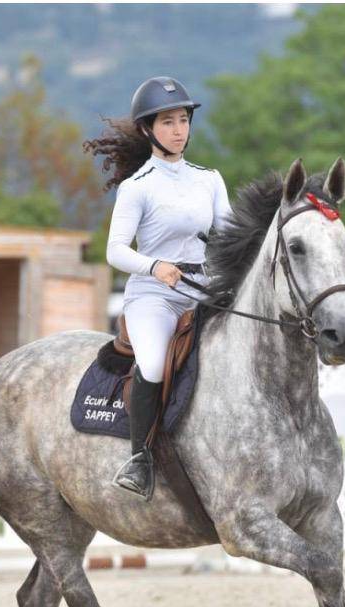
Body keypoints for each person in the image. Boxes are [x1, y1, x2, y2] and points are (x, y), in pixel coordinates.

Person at [83, 76, 232, 500]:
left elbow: (227, 238)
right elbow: (115, 251)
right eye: (168, 122)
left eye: (183, 120)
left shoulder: (210, 180)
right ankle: (140, 459)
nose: (179, 129)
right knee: (152, 365)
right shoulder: (137, 187)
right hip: (155, 297)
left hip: (203, 290)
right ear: (149, 129)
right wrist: (154, 266)